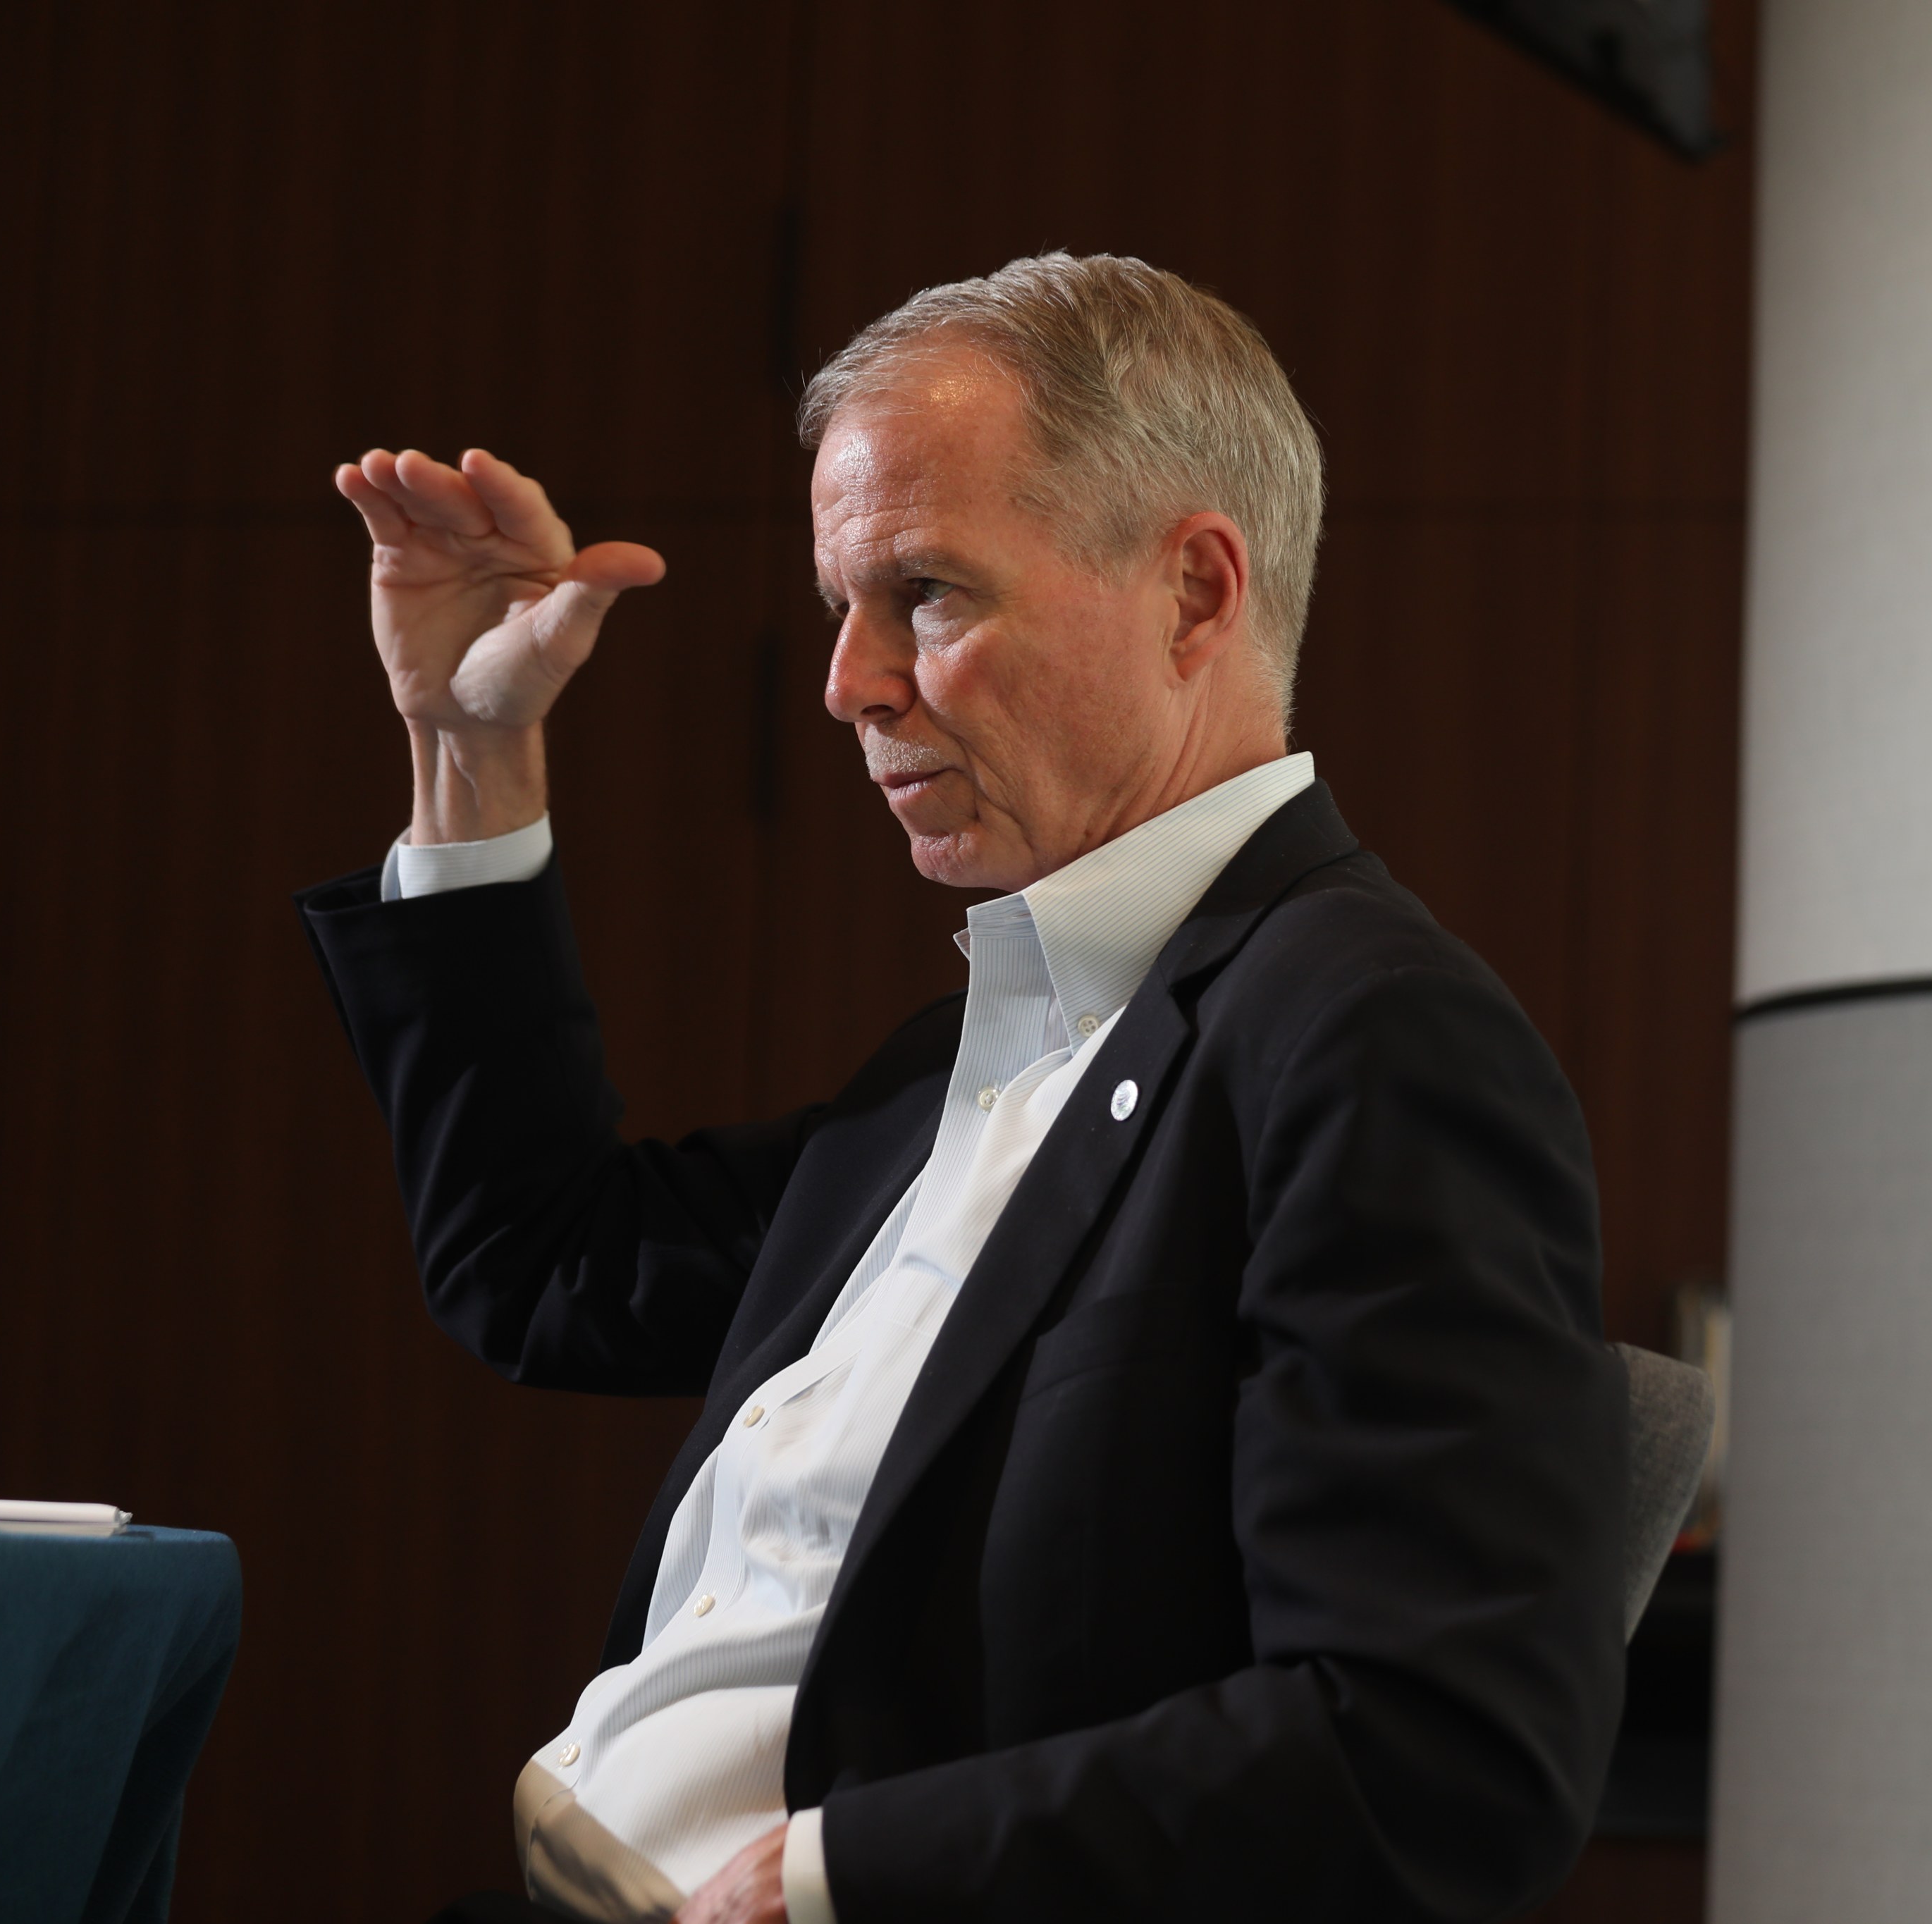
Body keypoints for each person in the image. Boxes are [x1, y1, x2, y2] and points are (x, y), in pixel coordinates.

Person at [300, 253, 1628, 1923]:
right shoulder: (987, 1045)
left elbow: (1437, 1752)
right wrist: (467, 751)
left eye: (925, 594)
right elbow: (545, 1268)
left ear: (1195, 596)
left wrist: (836, 1878)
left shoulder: (1365, 1036)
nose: (852, 682)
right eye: (840, 609)